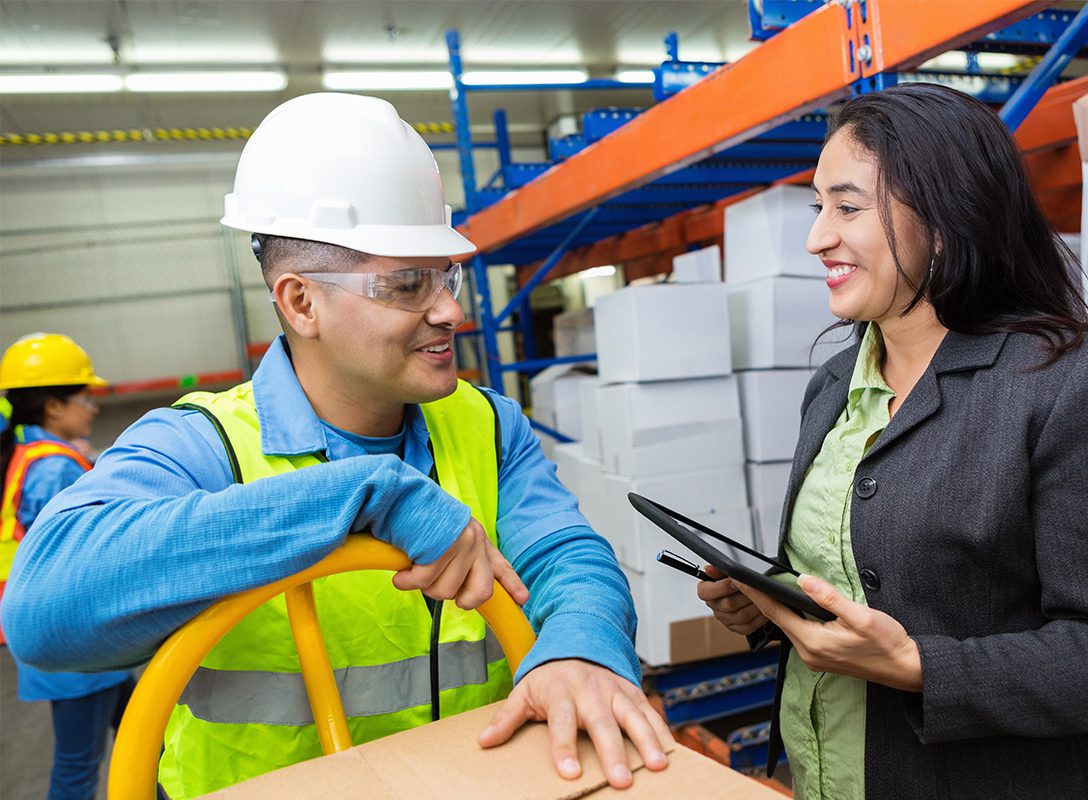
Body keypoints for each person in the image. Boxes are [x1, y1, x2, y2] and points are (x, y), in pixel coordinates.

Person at [2, 93, 670, 799]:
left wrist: (581, 645)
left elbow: (567, 556)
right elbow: (42, 614)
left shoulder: (487, 423)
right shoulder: (205, 446)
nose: (452, 311)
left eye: (448, 277)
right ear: (301, 303)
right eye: (409, 284)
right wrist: (356, 496)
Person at [698, 83, 1088, 800]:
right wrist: (770, 605)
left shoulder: (1075, 382)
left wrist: (920, 665)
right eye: (817, 208)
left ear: (947, 213)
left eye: (847, 207)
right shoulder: (836, 383)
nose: (817, 237)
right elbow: (861, 575)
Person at [0, 333, 137, 799]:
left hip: (80, 641)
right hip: (77, 639)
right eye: (84, 397)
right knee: (79, 767)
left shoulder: (26, 454)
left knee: (150, 735)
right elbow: (80, 553)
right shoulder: (55, 467)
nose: (93, 406)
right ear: (53, 408)